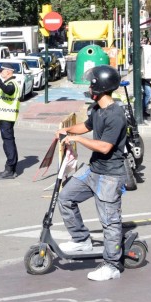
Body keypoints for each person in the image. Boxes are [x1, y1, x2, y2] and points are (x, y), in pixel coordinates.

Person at [55, 65, 129, 282]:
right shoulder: (97, 109)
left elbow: (105, 147)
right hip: (93, 169)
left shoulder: (115, 115)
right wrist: (67, 130)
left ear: (101, 87)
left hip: (110, 175)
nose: (89, 88)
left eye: (91, 84)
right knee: (65, 197)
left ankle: (112, 266)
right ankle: (81, 240)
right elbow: (86, 126)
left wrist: (77, 139)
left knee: (110, 221)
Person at [0, 65, 24, 180]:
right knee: (8, 142)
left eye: (2, 71)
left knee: (8, 143)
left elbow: (8, 91)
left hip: (7, 117)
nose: (1, 72)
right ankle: (11, 168)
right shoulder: (9, 82)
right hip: (5, 117)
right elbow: (3, 89)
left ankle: (10, 169)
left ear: (8, 72)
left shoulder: (12, 84)